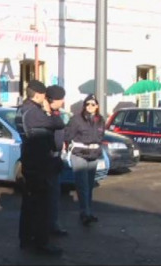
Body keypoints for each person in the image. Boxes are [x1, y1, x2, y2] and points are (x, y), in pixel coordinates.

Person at [15, 80, 65, 256]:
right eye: (44, 95)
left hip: (31, 162)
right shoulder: (33, 112)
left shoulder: (22, 109)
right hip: (38, 164)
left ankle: (26, 239)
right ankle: (41, 242)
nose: (46, 98)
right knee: (40, 206)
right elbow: (58, 123)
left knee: (30, 204)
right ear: (37, 95)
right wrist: (47, 110)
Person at [64, 94, 105, 226]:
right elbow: (68, 134)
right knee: (82, 185)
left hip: (93, 154)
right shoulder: (76, 119)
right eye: (87, 104)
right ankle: (85, 213)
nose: (90, 107)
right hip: (79, 154)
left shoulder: (100, 120)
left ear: (97, 106)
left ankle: (88, 211)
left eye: (93, 104)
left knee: (89, 185)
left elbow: (101, 136)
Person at [45, 85, 68, 237]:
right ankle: (49, 227)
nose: (64, 101)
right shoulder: (45, 116)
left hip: (56, 157)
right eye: (61, 98)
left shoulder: (56, 114)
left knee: (54, 195)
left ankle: (53, 224)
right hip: (48, 159)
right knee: (49, 196)